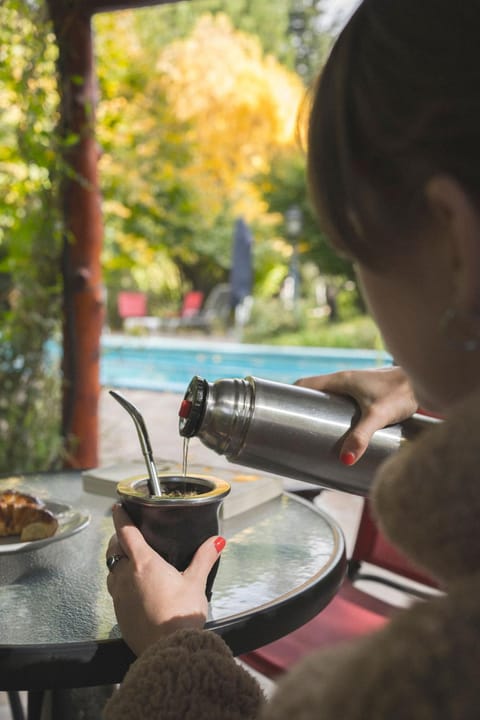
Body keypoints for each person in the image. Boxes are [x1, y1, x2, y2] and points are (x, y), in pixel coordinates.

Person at [103, 1, 480, 717]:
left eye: (355, 250)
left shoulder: (416, 686)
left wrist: (172, 650)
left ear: (455, 242)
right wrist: (431, 384)